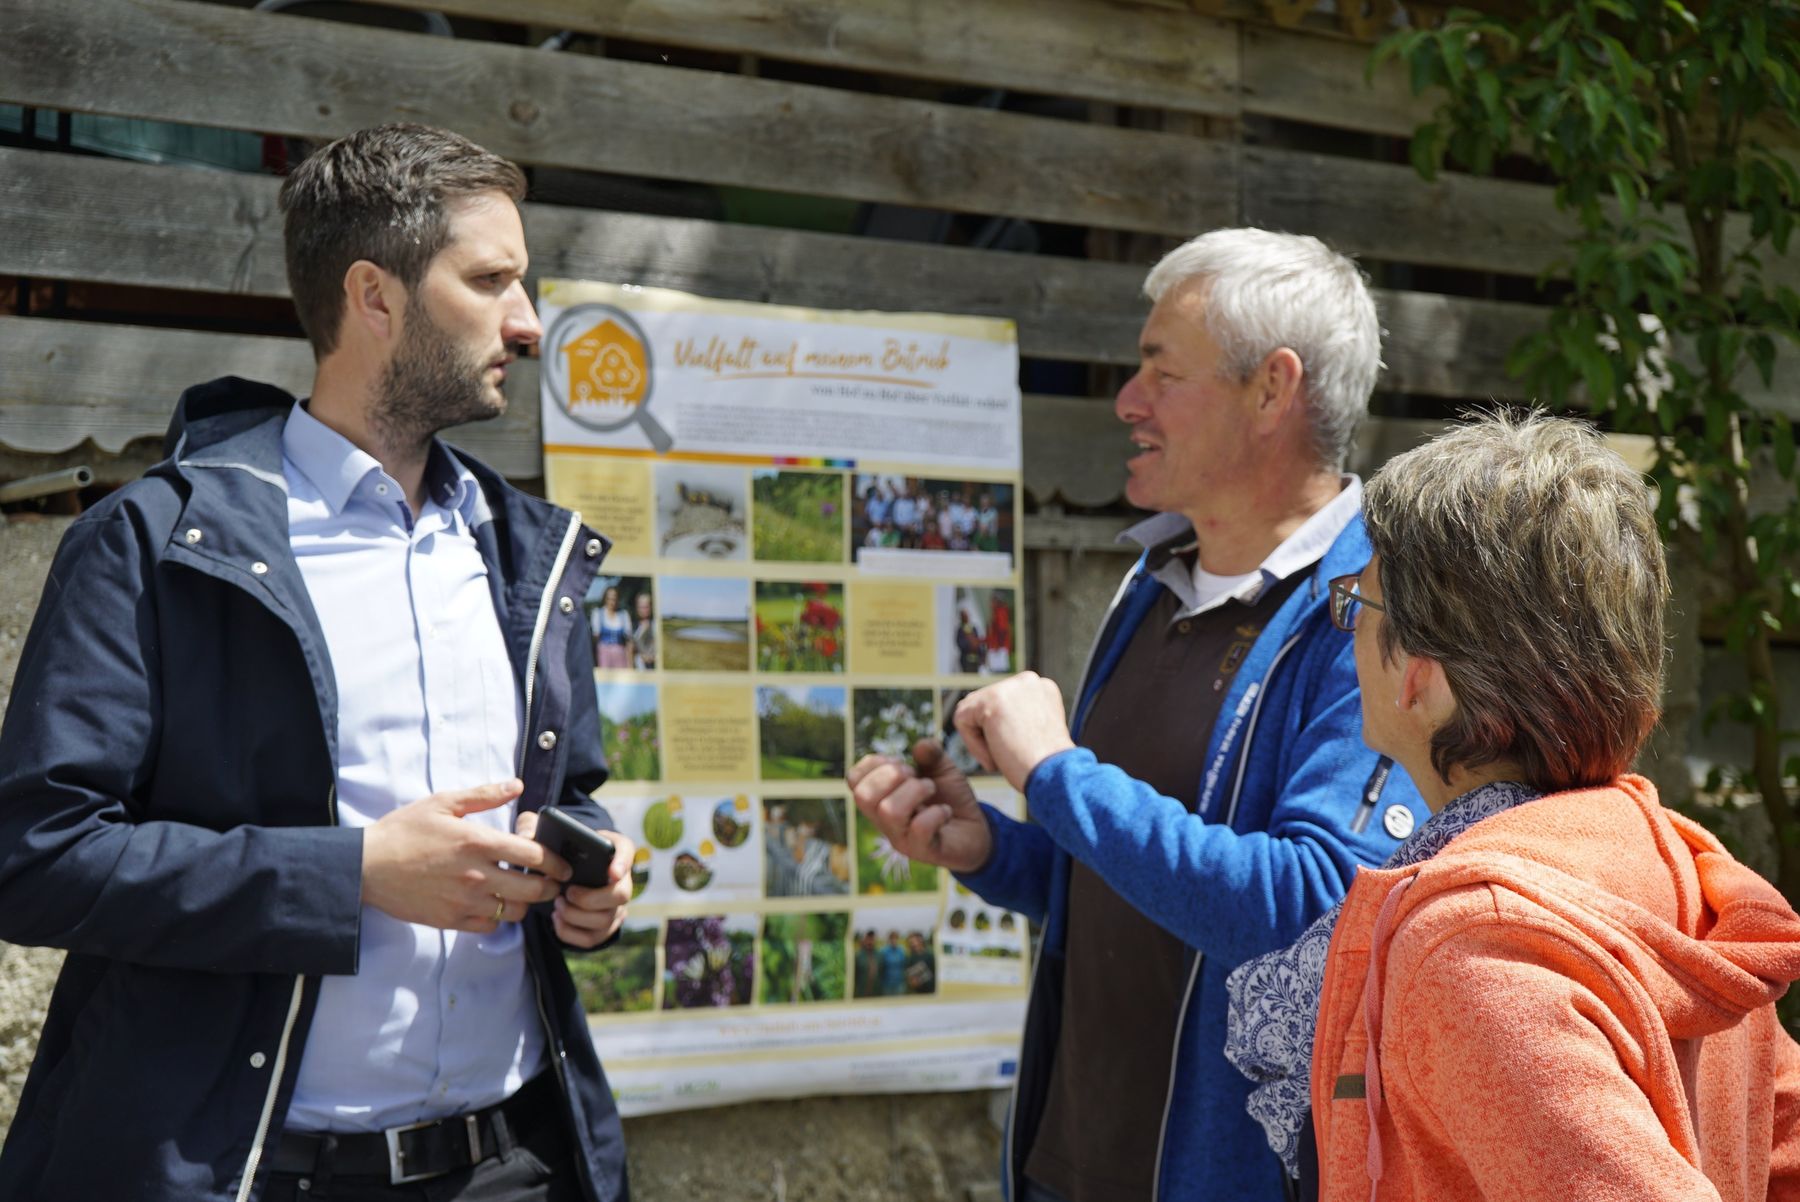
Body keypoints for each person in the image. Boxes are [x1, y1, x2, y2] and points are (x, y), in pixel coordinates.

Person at [0, 124, 636, 1202]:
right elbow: (35, 857)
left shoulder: (530, 553)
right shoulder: (153, 543)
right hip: (250, 1171)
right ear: (374, 296)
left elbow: (567, 794)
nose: (528, 323)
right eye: (491, 281)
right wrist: (351, 874)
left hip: (512, 1164)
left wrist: (591, 878)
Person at [850, 228, 1427, 1202]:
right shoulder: (1152, 580)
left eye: (1162, 368)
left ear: (1271, 390)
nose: (1127, 398)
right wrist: (993, 848)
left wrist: (1059, 776)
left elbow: (1314, 917)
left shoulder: (1371, 609)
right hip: (1066, 1165)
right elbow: (1124, 886)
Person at [1229, 413, 1800, 1201]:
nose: (1347, 633)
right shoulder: (1672, 868)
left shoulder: (1474, 949)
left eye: (1357, 605)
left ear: (1420, 678)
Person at [594, 584, 632, 669]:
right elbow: (595, 640)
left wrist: (630, 663)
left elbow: (629, 642)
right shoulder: (598, 614)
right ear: (605, 599)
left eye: (614, 598)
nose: (612, 601)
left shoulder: (623, 615)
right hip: (604, 653)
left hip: (620, 654)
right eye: (609, 598)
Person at [631, 590, 656, 670]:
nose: (643, 610)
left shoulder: (656, 625)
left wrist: (653, 657)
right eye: (641, 607)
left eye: (646, 607)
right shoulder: (633, 626)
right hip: (639, 667)